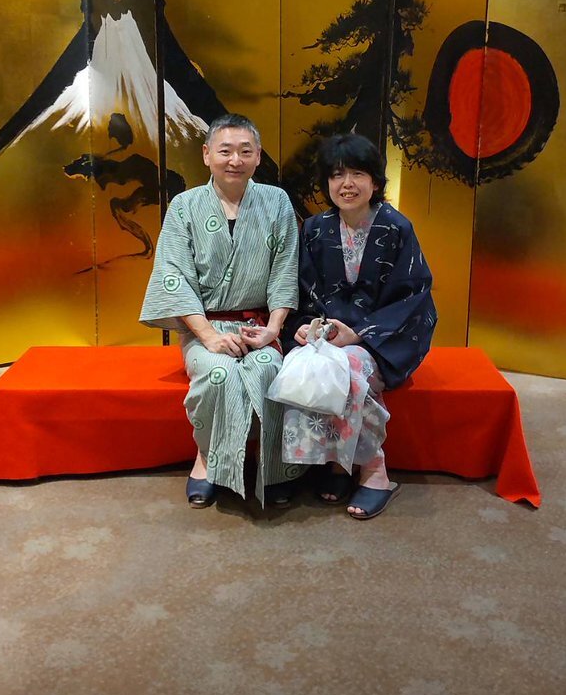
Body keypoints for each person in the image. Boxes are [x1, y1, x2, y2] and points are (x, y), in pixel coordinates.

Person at [140, 114, 303, 509]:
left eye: (245, 151)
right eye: (225, 151)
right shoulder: (184, 206)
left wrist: (273, 330)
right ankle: (207, 458)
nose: (235, 160)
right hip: (205, 327)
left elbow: (285, 270)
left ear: (258, 156)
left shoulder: (276, 201)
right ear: (206, 154)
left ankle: (271, 466)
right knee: (219, 374)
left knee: (267, 370)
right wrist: (209, 336)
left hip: (258, 326)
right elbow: (174, 275)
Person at [282, 133, 437, 521]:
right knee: (314, 362)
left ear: (375, 181)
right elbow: (301, 291)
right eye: (337, 175)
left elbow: (413, 293)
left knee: (349, 365)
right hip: (330, 337)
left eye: (357, 174)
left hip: (386, 339)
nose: (346, 184)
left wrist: (361, 335)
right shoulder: (315, 229)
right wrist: (303, 326)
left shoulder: (396, 228)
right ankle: (337, 465)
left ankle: (374, 474)